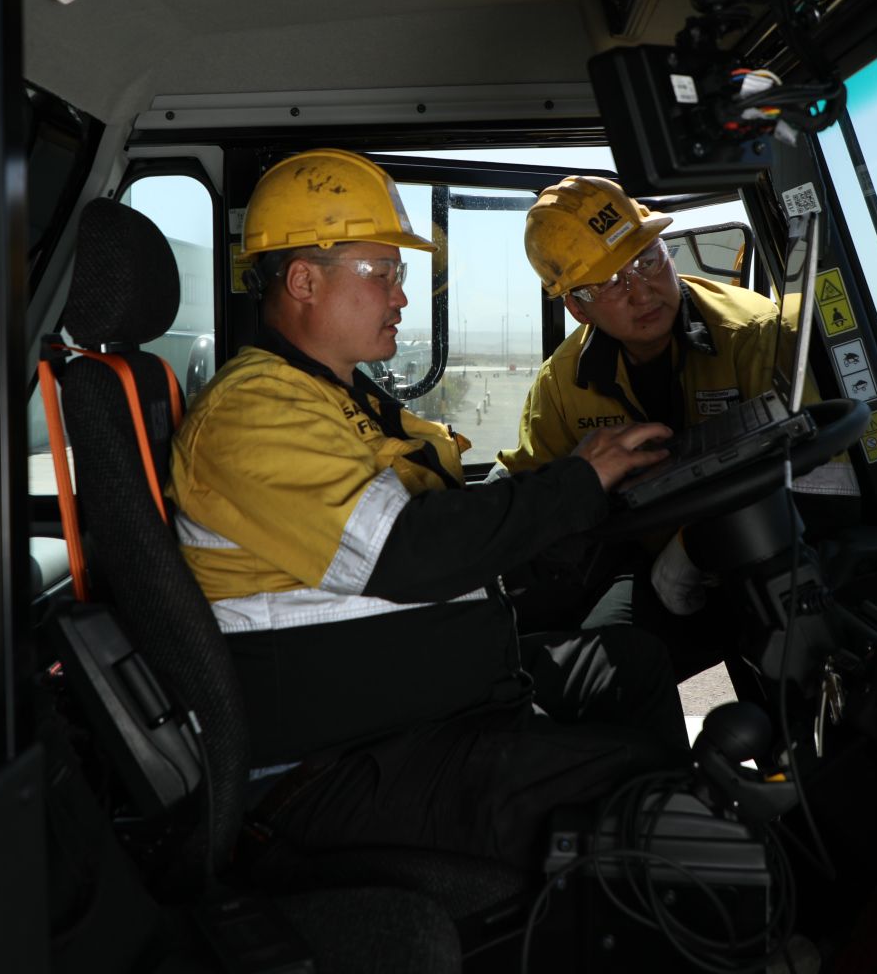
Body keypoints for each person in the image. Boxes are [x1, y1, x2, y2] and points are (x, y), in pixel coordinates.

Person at [167, 148, 687, 872]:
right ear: (305, 280)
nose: (401, 299)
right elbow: (405, 551)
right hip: (331, 768)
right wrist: (574, 484)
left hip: (418, 713)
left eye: (399, 277)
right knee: (637, 780)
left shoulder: (336, 399)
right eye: (382, 274)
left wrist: (570, 506)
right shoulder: (253, 413)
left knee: (633, 662)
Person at [499, 174, 797, 680]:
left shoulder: (757, 334)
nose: (643, 291)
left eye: (647, 258)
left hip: (767, 556)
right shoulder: (563, 382)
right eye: (611, 282)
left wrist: (697, 545)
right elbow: (532, 490)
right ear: (576, 307)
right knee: (614, 676)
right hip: (645, 565)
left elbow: (818, 479)